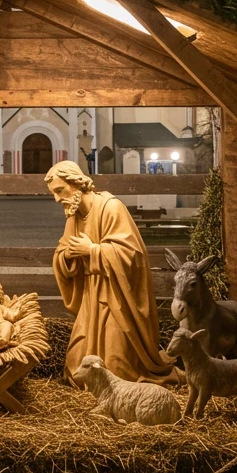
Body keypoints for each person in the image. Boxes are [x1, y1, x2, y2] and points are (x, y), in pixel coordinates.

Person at [45, 160, 177, 385]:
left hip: (117, 298)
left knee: (118, 372)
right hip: (91, 296)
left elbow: (132, 255)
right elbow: (62, 252)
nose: (57, 199)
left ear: (76, 183)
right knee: (76, 371)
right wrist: (67, 256)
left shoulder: (111, 207)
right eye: (53, 194)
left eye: (59, 191)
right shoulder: (74, 216)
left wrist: (92, 250)